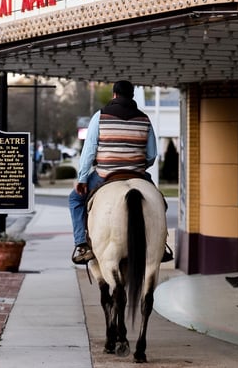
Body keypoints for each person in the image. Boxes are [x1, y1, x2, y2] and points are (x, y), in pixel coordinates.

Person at [68, 80, 173, 265]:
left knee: (75, 199)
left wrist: (82, 178)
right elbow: (151, 155)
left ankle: (82, 244)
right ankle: (160, 245)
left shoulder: (100, 117)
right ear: (132, 95)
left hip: (104, 175)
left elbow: (89, 151)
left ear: (114, 95)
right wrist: (136, 165)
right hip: (137, 174)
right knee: (160, 202)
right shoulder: (144, 119)